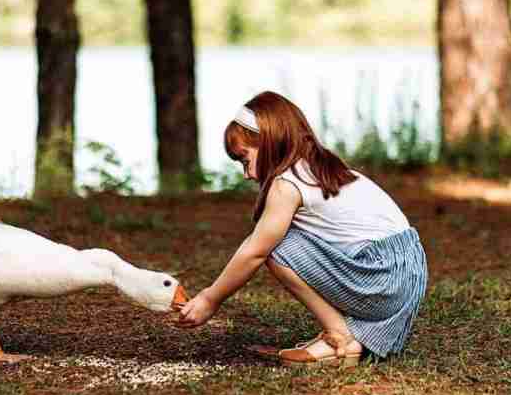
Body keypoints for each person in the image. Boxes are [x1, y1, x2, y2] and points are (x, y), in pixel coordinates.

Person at [176, 91, 428, 366]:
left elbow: (254, 252)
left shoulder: (288, 183)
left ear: (269, 141)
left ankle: (339, 335)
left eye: (245, 159)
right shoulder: (321, 169)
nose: (246, 174)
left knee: (276, 247)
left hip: (384, 279)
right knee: (279, 239)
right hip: (405, 275)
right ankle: (347, 333)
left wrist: (211, 299)